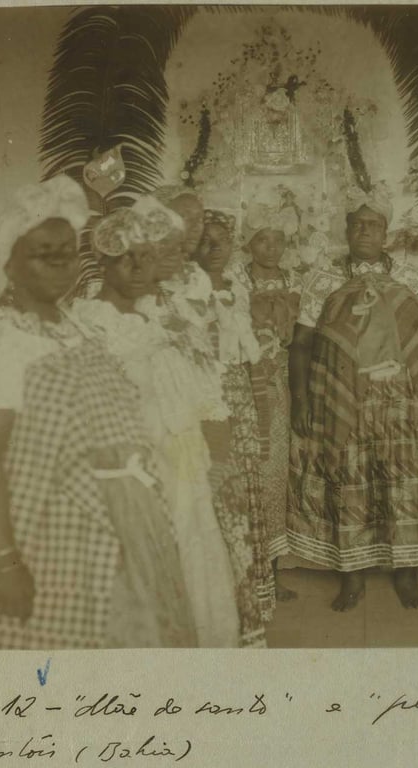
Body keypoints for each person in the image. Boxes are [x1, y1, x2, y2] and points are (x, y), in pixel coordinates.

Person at [0, 177, 195, 648]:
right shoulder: (2, 338)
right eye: (43, 252)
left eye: (67, 251)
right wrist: (5, 560)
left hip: (120, 513)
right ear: (10, 264)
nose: (61, 263)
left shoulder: (70, 321)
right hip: (47, 526)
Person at [288, 187, 418, 611]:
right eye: (357, 223)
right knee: (349, 484)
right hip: (343, 397)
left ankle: (406, 575)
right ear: (346, 230)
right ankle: (352, 578)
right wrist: (300, 399)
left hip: (402, 401)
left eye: (374, 224)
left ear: (386, 233)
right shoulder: (323, 279)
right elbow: (300, 344)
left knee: (403, 486)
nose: (365, 230)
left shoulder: (411, 279)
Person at [131, 196, 241, 648]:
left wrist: (216, 451)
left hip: (183, 444)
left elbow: (204, 385)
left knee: (193, 535)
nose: (181, 255)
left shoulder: (177, 307)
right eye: (168, 248)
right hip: (144, 447)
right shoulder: (129, 310)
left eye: (181, 247)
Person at [194, 208, 276, 646]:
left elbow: (249, 355)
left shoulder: (238, 289)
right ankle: (219, 600)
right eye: (205, 240)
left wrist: (260, 412)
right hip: (205, 395)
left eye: (222, 241)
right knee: (214, 491)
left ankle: (255, 598)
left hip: (239, 396)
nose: (214, 249)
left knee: (245, 488)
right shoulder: (184, 290)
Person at [235, 209, 302, 602]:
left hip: (281, 387)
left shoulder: (294, 280)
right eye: (263, 239)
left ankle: (271, 575)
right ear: (247, 244)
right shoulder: (235, 281)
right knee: (248, 477)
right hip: (245, 385)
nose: (272, 247)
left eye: (278, 239)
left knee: (276, 477)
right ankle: (245, 573)